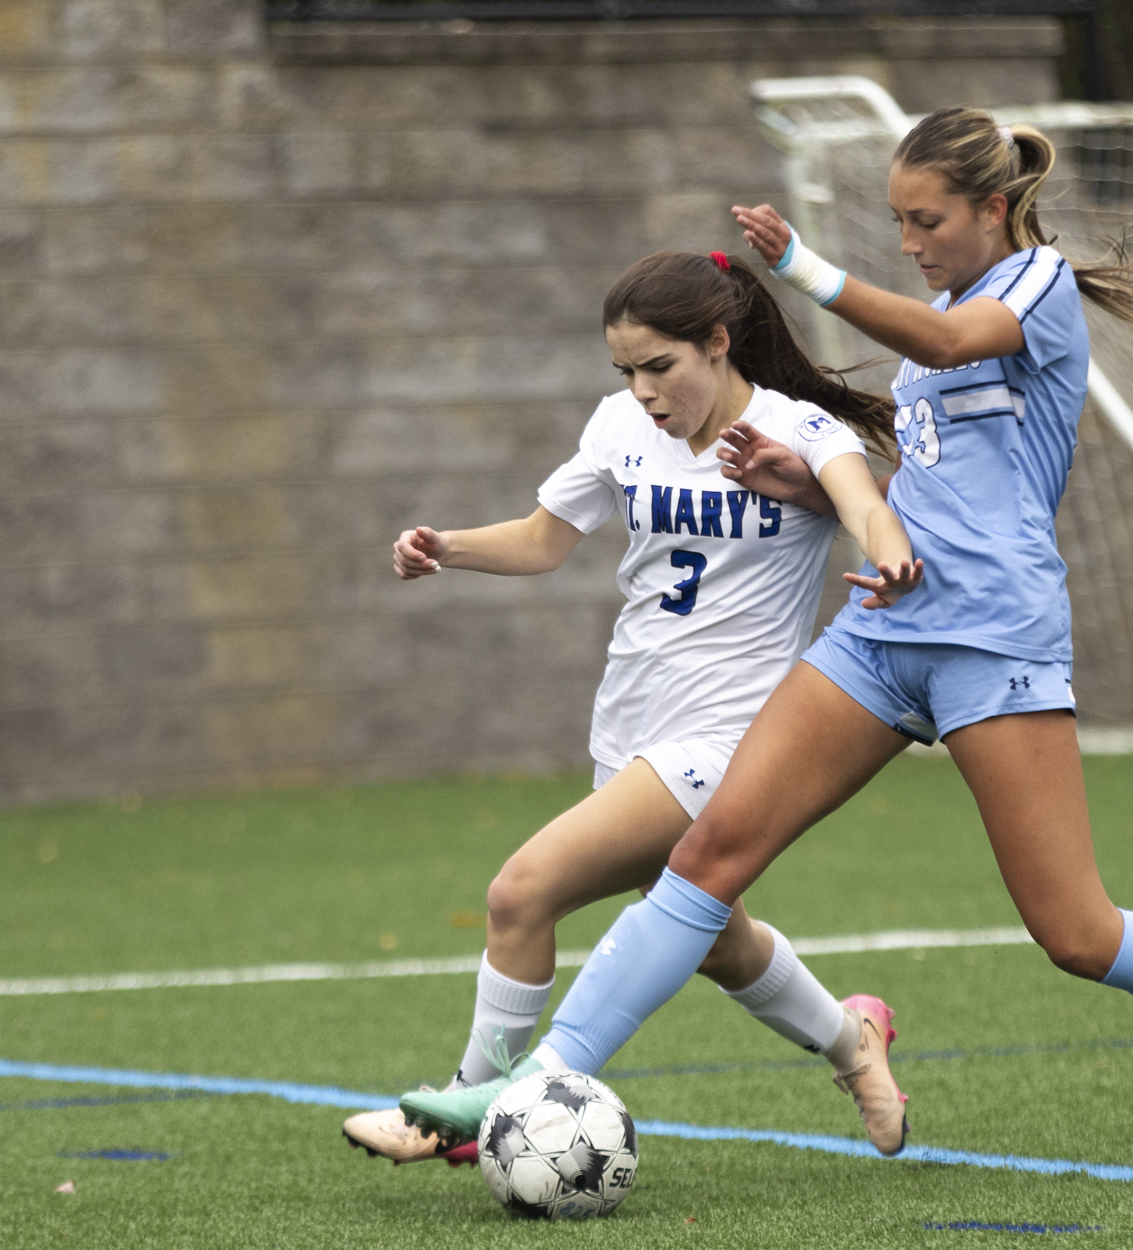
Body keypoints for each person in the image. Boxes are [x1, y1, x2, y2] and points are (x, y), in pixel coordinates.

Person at [400, 110, 1133, 1183]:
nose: (910, 241)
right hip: (880, 627)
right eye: (896, 224)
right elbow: (940, 477)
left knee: (1075, 932)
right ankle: (534, 1078)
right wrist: (800, 486)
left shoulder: (1030, 288)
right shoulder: (947, 310)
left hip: (989, 638)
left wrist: (805, 267)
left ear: (992, 210)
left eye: (927, 221)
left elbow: (947, 344)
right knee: (707, 856)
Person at [345, 249, 924, 1166]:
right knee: (712, 940)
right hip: (630, 721)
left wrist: (890, 558)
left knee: (522, 890)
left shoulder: (798, 428)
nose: (643, 389)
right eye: (625, 369)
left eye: (661, 366)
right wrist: (444, 546)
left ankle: (461, 1106)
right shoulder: (619, 426)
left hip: (736, 734)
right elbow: (543, 542)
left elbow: (864, 504)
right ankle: (855, 1039)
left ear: (718, 342)